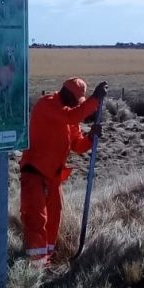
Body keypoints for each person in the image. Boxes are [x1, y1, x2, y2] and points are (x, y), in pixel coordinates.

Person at [19, 77, 108, 266]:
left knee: (54, 217)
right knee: (36, 220)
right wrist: (95, 101)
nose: (78, 104)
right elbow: (72, 116)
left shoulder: (70, 115)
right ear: (66, 94)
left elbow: (78, 145)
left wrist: (91, 137)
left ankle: (47, 259)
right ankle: (35, 268)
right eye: (77, 100)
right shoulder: (48, 104)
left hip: (53, 176)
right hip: (34, 172)